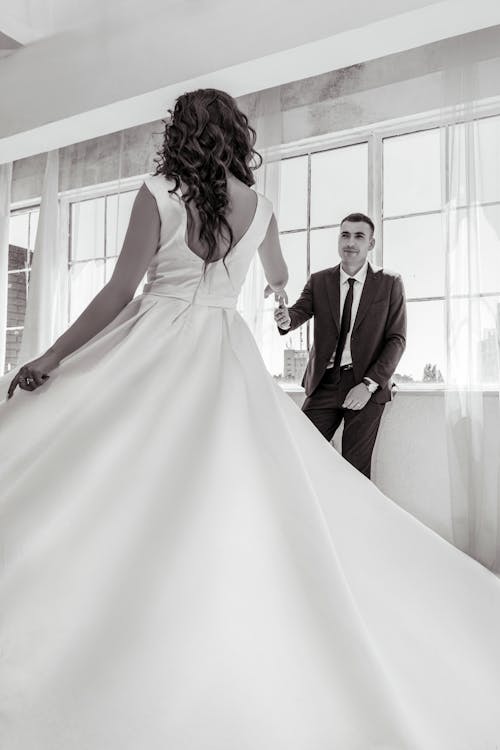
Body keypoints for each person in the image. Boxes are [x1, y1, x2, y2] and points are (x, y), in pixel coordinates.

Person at [0, 88, 499, 750]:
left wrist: (55, 355)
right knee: (229, 484)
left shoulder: (159, 191)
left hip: (156, 338)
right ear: (236, 134)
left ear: (181, 132)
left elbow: (122, 292)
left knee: (108, 463)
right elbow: (279, 274)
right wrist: (267, 286)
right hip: (222, 347)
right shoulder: (261, 206)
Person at [274, 214, 405, 478]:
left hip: (364, 386)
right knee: (300, 456)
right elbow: (298, 312)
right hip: (323, 384)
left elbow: (396, 340)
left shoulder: (390, 283)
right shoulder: (320, 280)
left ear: (371, 244)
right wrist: (286, 318)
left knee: (354, 471)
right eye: (345, 235)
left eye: (359, 236)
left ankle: (355, 520)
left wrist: (368, 385)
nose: (350, 242)